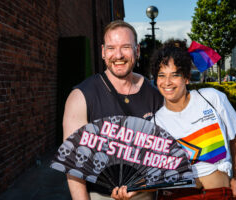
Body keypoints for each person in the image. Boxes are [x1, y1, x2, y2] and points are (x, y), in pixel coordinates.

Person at [62, 20, 163, 200]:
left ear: (137, 50)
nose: (118, 55)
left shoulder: (154, 94)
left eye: (125, 47)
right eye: (111, 48)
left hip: (147, 194)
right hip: (101, 195)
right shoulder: (82, 96)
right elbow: (74, 164)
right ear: (103, 52)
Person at [150, 39, 236, 199]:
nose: (167, 82)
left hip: (219, 193)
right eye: (161, 75)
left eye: (175, 75)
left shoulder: (212, 98)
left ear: (187, 78)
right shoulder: (155, 122)